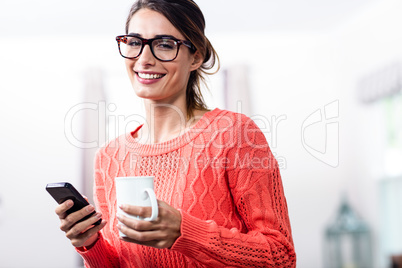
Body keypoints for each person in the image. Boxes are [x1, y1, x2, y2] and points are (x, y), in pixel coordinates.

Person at [54, 0, 296, 267]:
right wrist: (89, 243)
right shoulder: (109, 157)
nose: (144, 59)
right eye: (134, 42)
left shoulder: (235, 134)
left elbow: (281, 257)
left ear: (196, 56)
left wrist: (185, 232)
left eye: (165, 44)